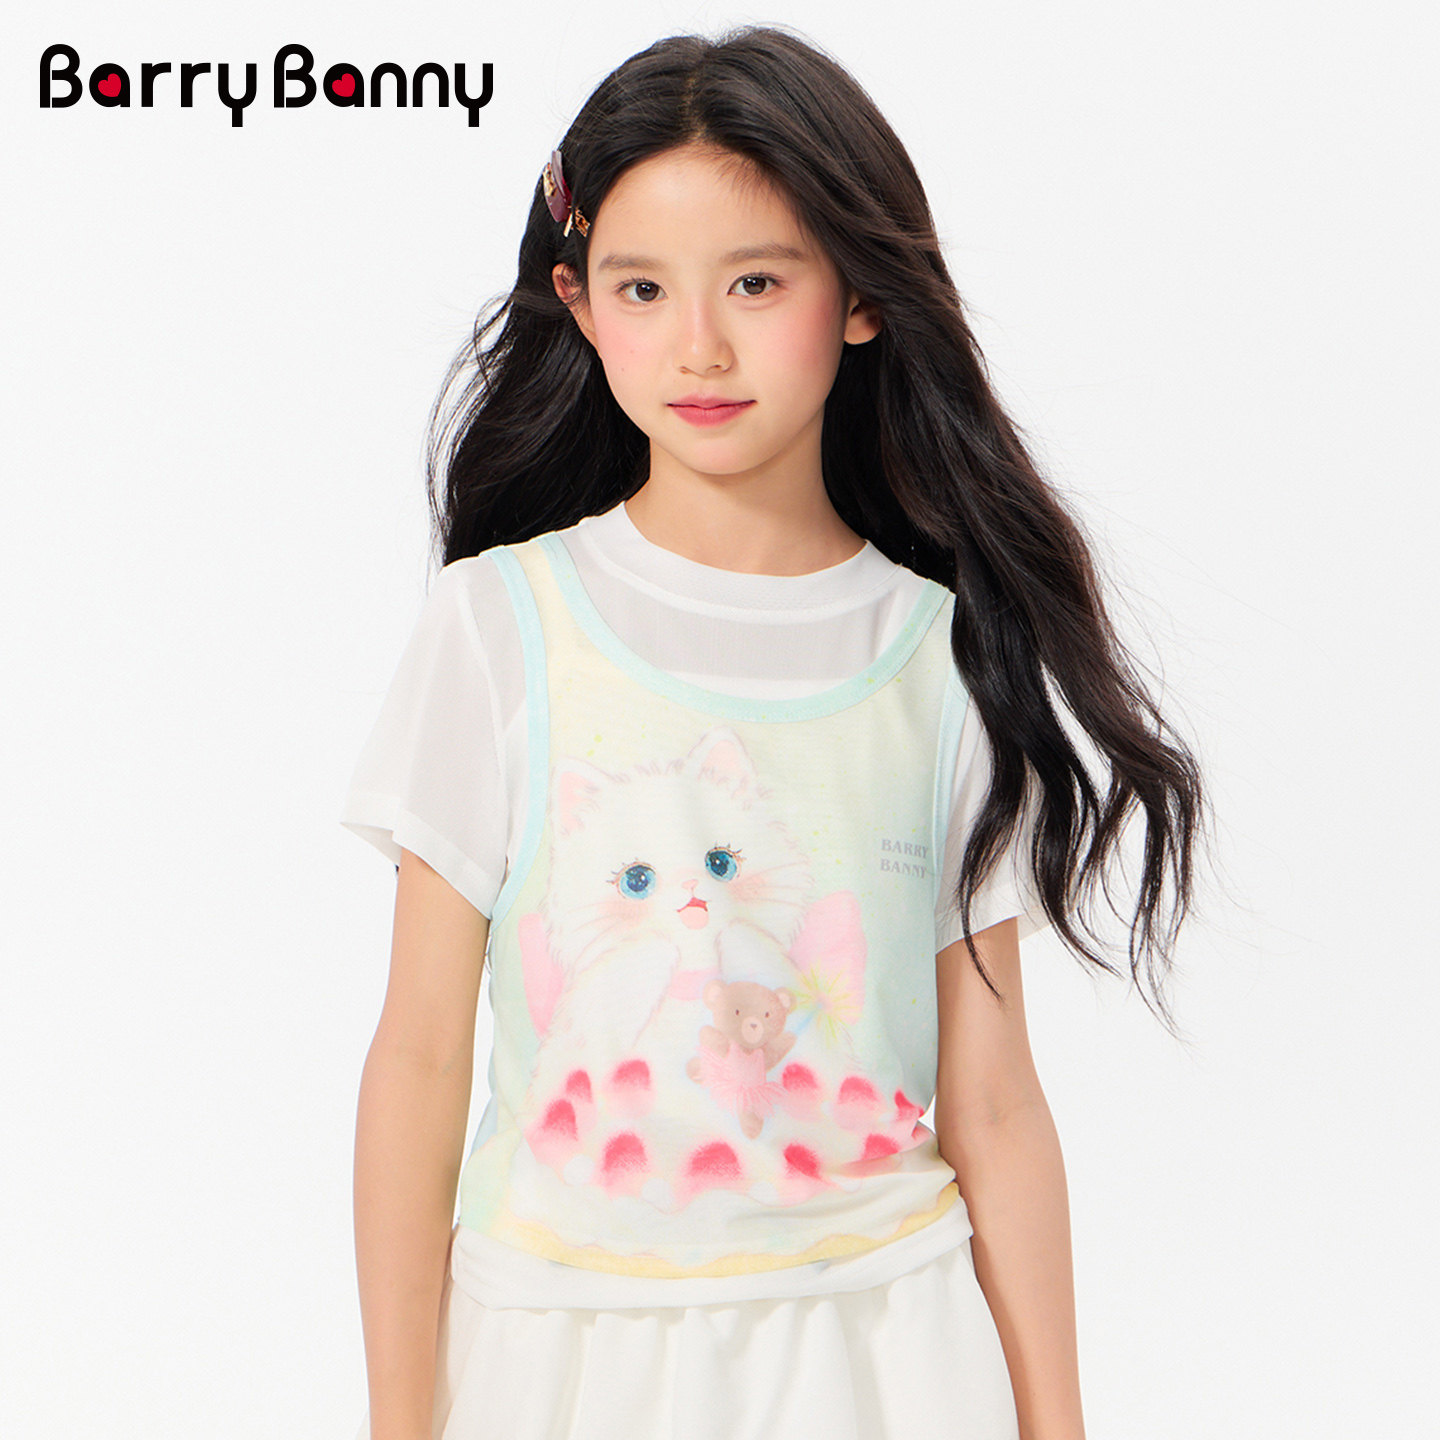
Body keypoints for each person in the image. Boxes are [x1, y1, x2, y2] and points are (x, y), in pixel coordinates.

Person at [341, 24, 1204, 1440]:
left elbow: (993, 1104)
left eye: (755, 281)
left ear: (859, 297)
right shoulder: (498, 627)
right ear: (579, 303)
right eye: (643, 288)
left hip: (886, 1352)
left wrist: (1056, 1423)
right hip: (562, 1349)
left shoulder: (941, 656)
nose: (700, 344)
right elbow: (419, 1065)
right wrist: (398, 1421)